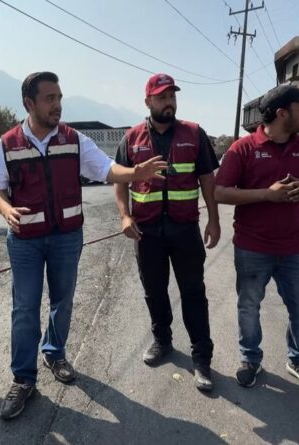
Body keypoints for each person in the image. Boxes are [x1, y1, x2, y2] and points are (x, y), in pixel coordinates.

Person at [0, 71, 167, 420]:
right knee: (24, 308)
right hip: (25, 241)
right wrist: (7, 210)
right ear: (29, 103)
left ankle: (55, 353)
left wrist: (135, 174)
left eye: (59, 97)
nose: (57, 105)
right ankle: (23, 379)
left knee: (63, 300)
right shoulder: (7, 144)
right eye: (49, 99)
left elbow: (106, 169)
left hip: (66, 237)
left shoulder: (73, 139)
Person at [214, 84, 299, 393]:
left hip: (298, 248)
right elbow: (220, 192)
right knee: (249, 306)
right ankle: (250, 359)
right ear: (282, 113)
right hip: (253, 248)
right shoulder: (243, 148)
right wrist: (267, 194)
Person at [113, 73, 220, 391]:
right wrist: (124, 216)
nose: (168, 101)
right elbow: (120, 181)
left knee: (193, 293)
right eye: (161, 97)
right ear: (148, 101)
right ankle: (162, 340)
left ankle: (201, 357)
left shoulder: (194, 133)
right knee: (154, 291)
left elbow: (207, 179)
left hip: (185, 229)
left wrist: (214, 220)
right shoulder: (131, 138)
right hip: (146, 232)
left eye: (172, 95)